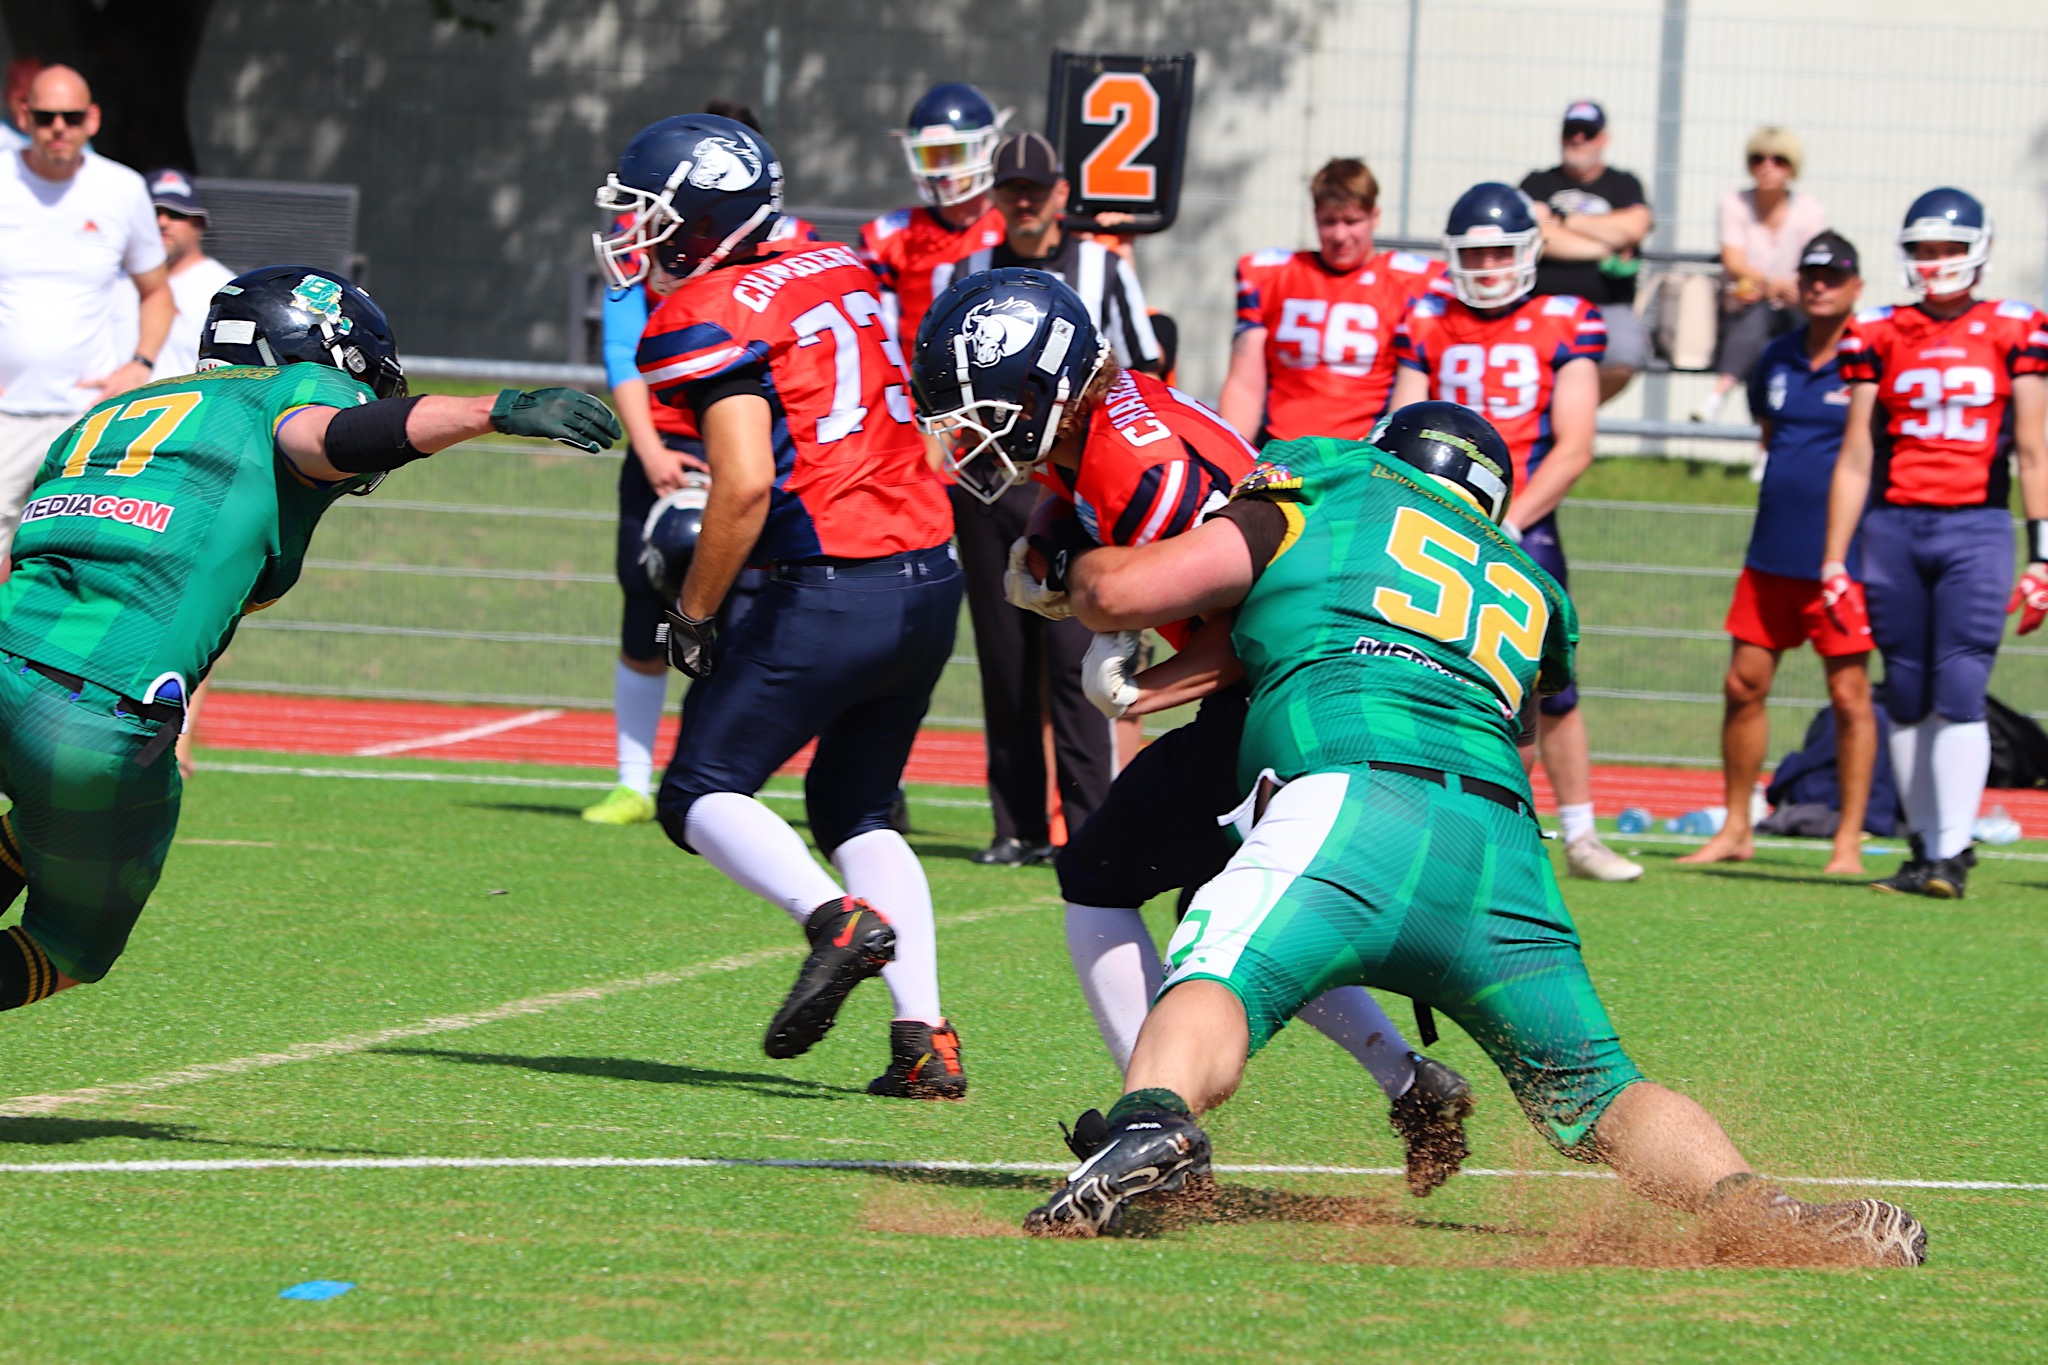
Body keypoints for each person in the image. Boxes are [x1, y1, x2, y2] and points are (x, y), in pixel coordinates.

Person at [1016, 401, 1929, 1270]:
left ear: (1387, 454)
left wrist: (1068, 577)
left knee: (1217, 971)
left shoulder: (1333, 479)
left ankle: (1152, 1119)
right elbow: (1519, 724)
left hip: (1352, 799)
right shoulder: (1533, 585)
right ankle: (1757, 1210)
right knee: (1602, 1089)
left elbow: (1125, 587)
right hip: (1498, 845)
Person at [912, 269, 1477, 1196]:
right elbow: (1075, 484)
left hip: (1281, 686)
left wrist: (1146, 683)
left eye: (980, 408)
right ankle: (1410, 1081)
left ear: (1039, 385)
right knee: (1224, 911)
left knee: (1096, 878)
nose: (965, 432)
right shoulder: (1101, 413)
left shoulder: (1144, 467)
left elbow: (1263, 612)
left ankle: (1152, 1121)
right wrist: (1055, 537)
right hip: (1288, 691)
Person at [0, 264, 620, 1009]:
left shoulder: (113, 414)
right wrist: (497, 409)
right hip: (92, 708)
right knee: (69, 945)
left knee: (40, 826)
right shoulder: (288, 389)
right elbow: (330, 436)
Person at [596, 114, 968, 1096]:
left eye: (647, 214)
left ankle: (832, 919)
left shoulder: (702, 314)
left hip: (834, 581)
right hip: (929, 572)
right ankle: (924, 1037)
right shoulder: (837, 262)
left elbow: (746, 484)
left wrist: (696, 615)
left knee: (697, 791)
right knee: (855, 805)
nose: (634, 233)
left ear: (699, 219)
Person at [1391, 182, 1642, 882]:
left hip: (1520, 524)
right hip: (1433, 524)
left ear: (1529, 251)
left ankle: (1578, 832)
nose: (1491, 266)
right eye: (1477, 253)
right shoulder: (1429, 317)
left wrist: (1510, 520)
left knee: (1543, 685)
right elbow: (1401, 429)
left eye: (1503, 251)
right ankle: (1436, 819)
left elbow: (1576, 443)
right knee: (1417, 669)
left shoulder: (1565, 320)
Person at [927, 131, 1161, 865]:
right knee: (1003, 659)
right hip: (988, 485)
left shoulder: (1102, 266)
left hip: (1076, 488)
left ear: (1061, 193)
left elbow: (1145, 368)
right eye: (1011, 188)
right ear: (994, 196)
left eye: (1036, 188)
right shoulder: (966, 270)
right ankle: (1018, 825)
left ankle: (1089, 827)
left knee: (1075, 655)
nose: (1024, 201)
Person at [582, 100, 817, 827]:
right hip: (667, 445)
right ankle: (635, 778)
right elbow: (623, 347)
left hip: (745, 454)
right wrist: (650, 450)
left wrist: (753, 458)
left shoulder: (790, 257)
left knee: (733, 617)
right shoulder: (650, 245)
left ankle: (712, 769)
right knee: (646, 608)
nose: (638, 216)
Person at [1822, 189, 2048, 899]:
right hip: (1893, 525)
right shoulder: (1878, 330)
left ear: (1978, 250)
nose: (1937, 261)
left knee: (1960, 685)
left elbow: (2036, 451)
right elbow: (1856, 454)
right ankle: (1924, 848)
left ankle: (1952, 850)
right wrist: (1834, 558)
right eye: (1925, 248)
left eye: (1950, 247)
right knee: (1908, 688)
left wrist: (2043, 553)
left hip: (1974, 525)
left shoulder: (2015, 327)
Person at [1679, 233, 1873, 872]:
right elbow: (1772, 439)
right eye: (1811, 274)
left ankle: (1847, 841)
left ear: (1856, 288)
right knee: (1742, 685)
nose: (1820, 285)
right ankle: (1736, 826)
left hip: (1841, 562)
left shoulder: (1871, 360)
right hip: (1770, 556)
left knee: (1848, 696)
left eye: (1834, 275)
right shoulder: (1776, 358)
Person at [0, 65, 173, 565]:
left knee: (74, 553)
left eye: (71, 117)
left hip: (86, 416)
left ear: (92, 120)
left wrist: (140, 363)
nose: (59, 128)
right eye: (47, 116)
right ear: (23, 115)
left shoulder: (120, 189)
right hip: (6, 417)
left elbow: (157, 292)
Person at [1217, 157, 1444, 443]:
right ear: (1314, 216)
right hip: (1281, 453)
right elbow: (1244, 386)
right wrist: (1230, 458)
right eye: (1328, 221)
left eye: (1352, 221)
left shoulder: (1411, 282)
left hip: (1362, 457)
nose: (1339, 235)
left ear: (1375, 216)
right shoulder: (1272, 276)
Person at [1692, 129, 1829, 423]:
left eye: (1779, 160)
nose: (1767, 167)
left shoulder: (1809, 209)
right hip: (1744, 307)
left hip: (1793, 309)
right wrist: (1773, 286)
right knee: (1764, 336)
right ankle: (1766, 443)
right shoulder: (1734, 203)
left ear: (1793, 167)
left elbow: (1814, 264)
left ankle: (1718, 393)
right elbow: (1734, 261)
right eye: (1758, 159)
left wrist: (1777, 287)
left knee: (1780, 340)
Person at [1520, 101, 1651, 404]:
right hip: (1543, 302)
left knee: (1625, 357)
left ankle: (1571, 413)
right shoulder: (1538, 182)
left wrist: (1564, 221)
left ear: (1603, 138)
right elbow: (1538, 235)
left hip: (1607, 304)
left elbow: (1635, 227)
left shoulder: (1623, 183)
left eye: (1587, 133)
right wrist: (1604, 245)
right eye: (1571, 132)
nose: (1577, 139)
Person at [860, 83, 1007, 350]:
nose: (943, 171)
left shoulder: (1012, 226)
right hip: (913, 384)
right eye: (932, 156)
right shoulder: (891, 235)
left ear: (984, 149)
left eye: (954, 154)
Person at [144, 170, 237, 381]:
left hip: (187, 409)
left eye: (176, 213)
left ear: (199, 225)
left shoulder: (225, 290)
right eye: (153, 213)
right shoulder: (119, 279)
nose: (162, 222)